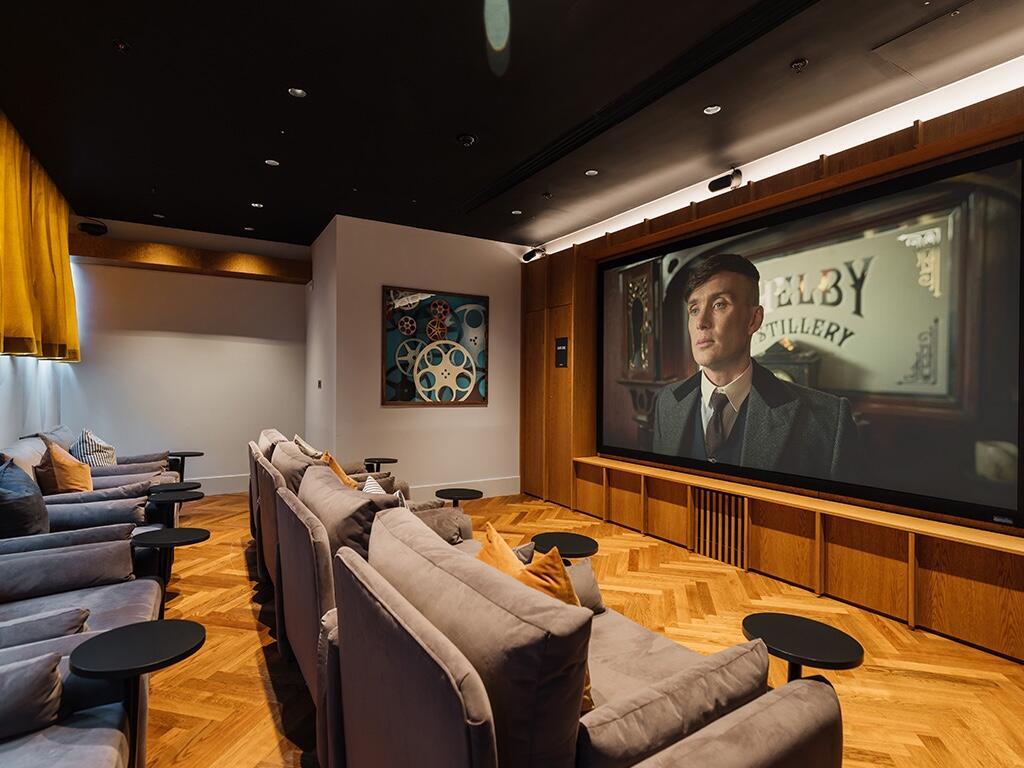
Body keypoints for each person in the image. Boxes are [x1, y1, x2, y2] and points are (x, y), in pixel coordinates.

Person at [651, 253, 860, 483]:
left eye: (719, 304)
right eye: (694, 309)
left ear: (754, 319)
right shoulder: (667, 402)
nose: (701, 322)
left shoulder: (828, 420)